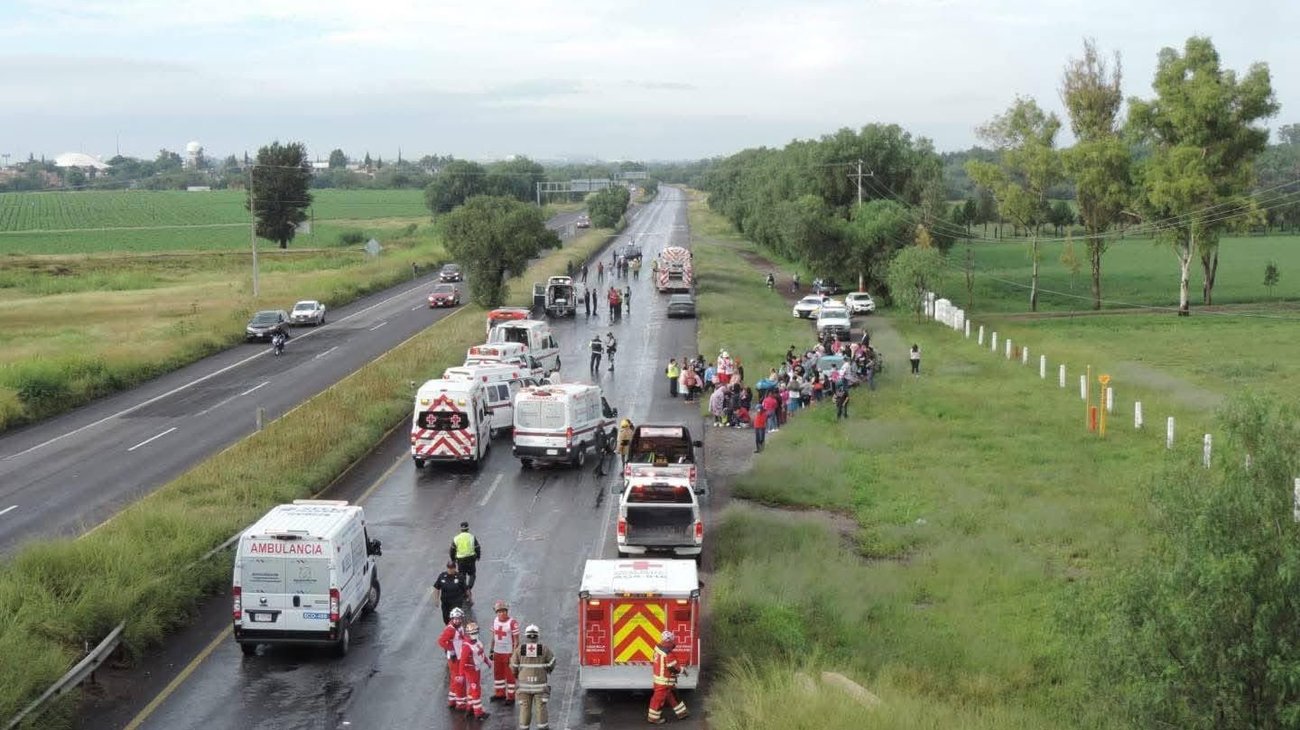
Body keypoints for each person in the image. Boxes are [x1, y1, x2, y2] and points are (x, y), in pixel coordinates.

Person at [510, 624, 556, 730]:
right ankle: (543, 727)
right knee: (541, 707)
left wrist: (517, 674)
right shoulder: (544, 649)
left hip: (524, 686)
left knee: (524, 707)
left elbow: (513, 665)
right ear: (537, 636)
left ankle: (524, 727)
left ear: (526, 636)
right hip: (540, 686)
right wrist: (546, 669)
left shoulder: (519, 649)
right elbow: (552, 662)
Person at [647, 630, 689, 724]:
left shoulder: (658, 648)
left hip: (660, 679)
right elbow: (673, 668)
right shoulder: (668, 654)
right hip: (664, 681)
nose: (674, 643)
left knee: (673, 695)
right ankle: (653, 718)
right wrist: (683, 670)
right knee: (658, 700)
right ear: (670, 641)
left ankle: (682, 713)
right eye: (672, 641)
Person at [459, 622, 492, 720]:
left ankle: (470, 708)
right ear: (468, 633)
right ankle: (478, 712)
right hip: (471, 669)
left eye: (475, 632)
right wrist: (461, 675)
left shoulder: (477, 642)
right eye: (472, 633)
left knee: (472, 690)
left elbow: (481, 654)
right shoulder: (467, 646)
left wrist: (487, 661)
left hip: (476, 668)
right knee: (476, 690)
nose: (474, 634)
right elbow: (462, 662)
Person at [437, 607, 468, 710]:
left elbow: (462, 638)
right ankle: (461, 703)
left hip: (459, 656)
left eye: (459, 619)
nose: (457, 620)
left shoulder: (459, 627)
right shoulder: (450, 629)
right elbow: (441, 641)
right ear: (452, 618)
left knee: (455, 679)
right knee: (459, 679)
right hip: (455, 658)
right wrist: (452, 650)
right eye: (455, 619)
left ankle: (452, 700)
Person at [490, 601, 520, 704]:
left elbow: (516, 640)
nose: (501, 614)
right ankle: (500, 694)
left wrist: (514, 654)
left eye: (503, 611)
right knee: (498, 674)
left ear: (507, 611)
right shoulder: (495, 621)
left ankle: (511, 697)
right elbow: (494, 637)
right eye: (499, 612)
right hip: (498, 652)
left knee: (509, 674)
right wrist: (491, 650)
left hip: (508, 653)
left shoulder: (512, 623)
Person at [449, 522, 482, 595]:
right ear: (468, 528)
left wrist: (453, 559)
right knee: (472, 575)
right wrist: (478, 556)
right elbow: (477, 547)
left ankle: (464, 590)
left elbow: (452, 550)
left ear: (461, 529)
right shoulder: (472, 537)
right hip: (471, 559)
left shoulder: (456, 538)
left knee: (462, 575)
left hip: (460, 560)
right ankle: (469, 588)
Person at [434, 561, 470, 626]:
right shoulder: (442, 576)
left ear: (455, 568)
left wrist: (470, 598)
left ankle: (456, 631)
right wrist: (436, 599)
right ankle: (449, 629)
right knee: (446, 618)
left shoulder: (459, 576)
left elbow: (466, 588)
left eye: (452, 568)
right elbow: (437, 588)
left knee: (455, 618)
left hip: (456, 602)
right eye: (449, 568)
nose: (450, 569)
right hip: (445, 602)